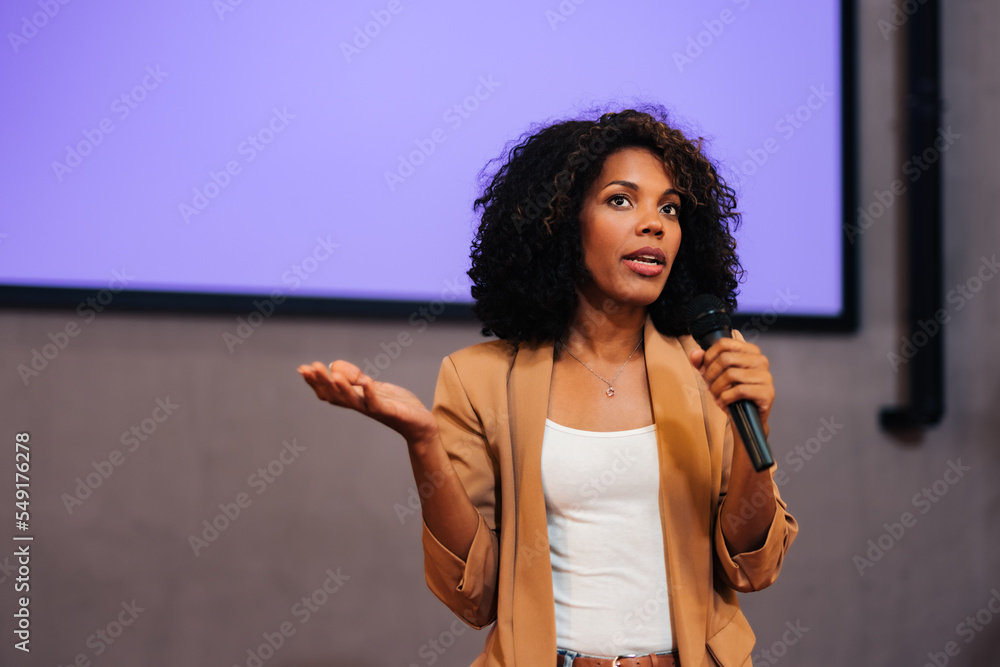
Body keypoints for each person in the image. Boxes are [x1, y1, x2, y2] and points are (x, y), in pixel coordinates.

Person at [298, 107, 797, 667]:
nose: (654, 223)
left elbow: (752, 567)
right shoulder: (479, 378)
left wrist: (757, 431)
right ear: (561, 222)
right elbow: (476, 593)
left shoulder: (707, 365)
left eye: (670, 208)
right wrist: (422, 443)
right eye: (621, 200)